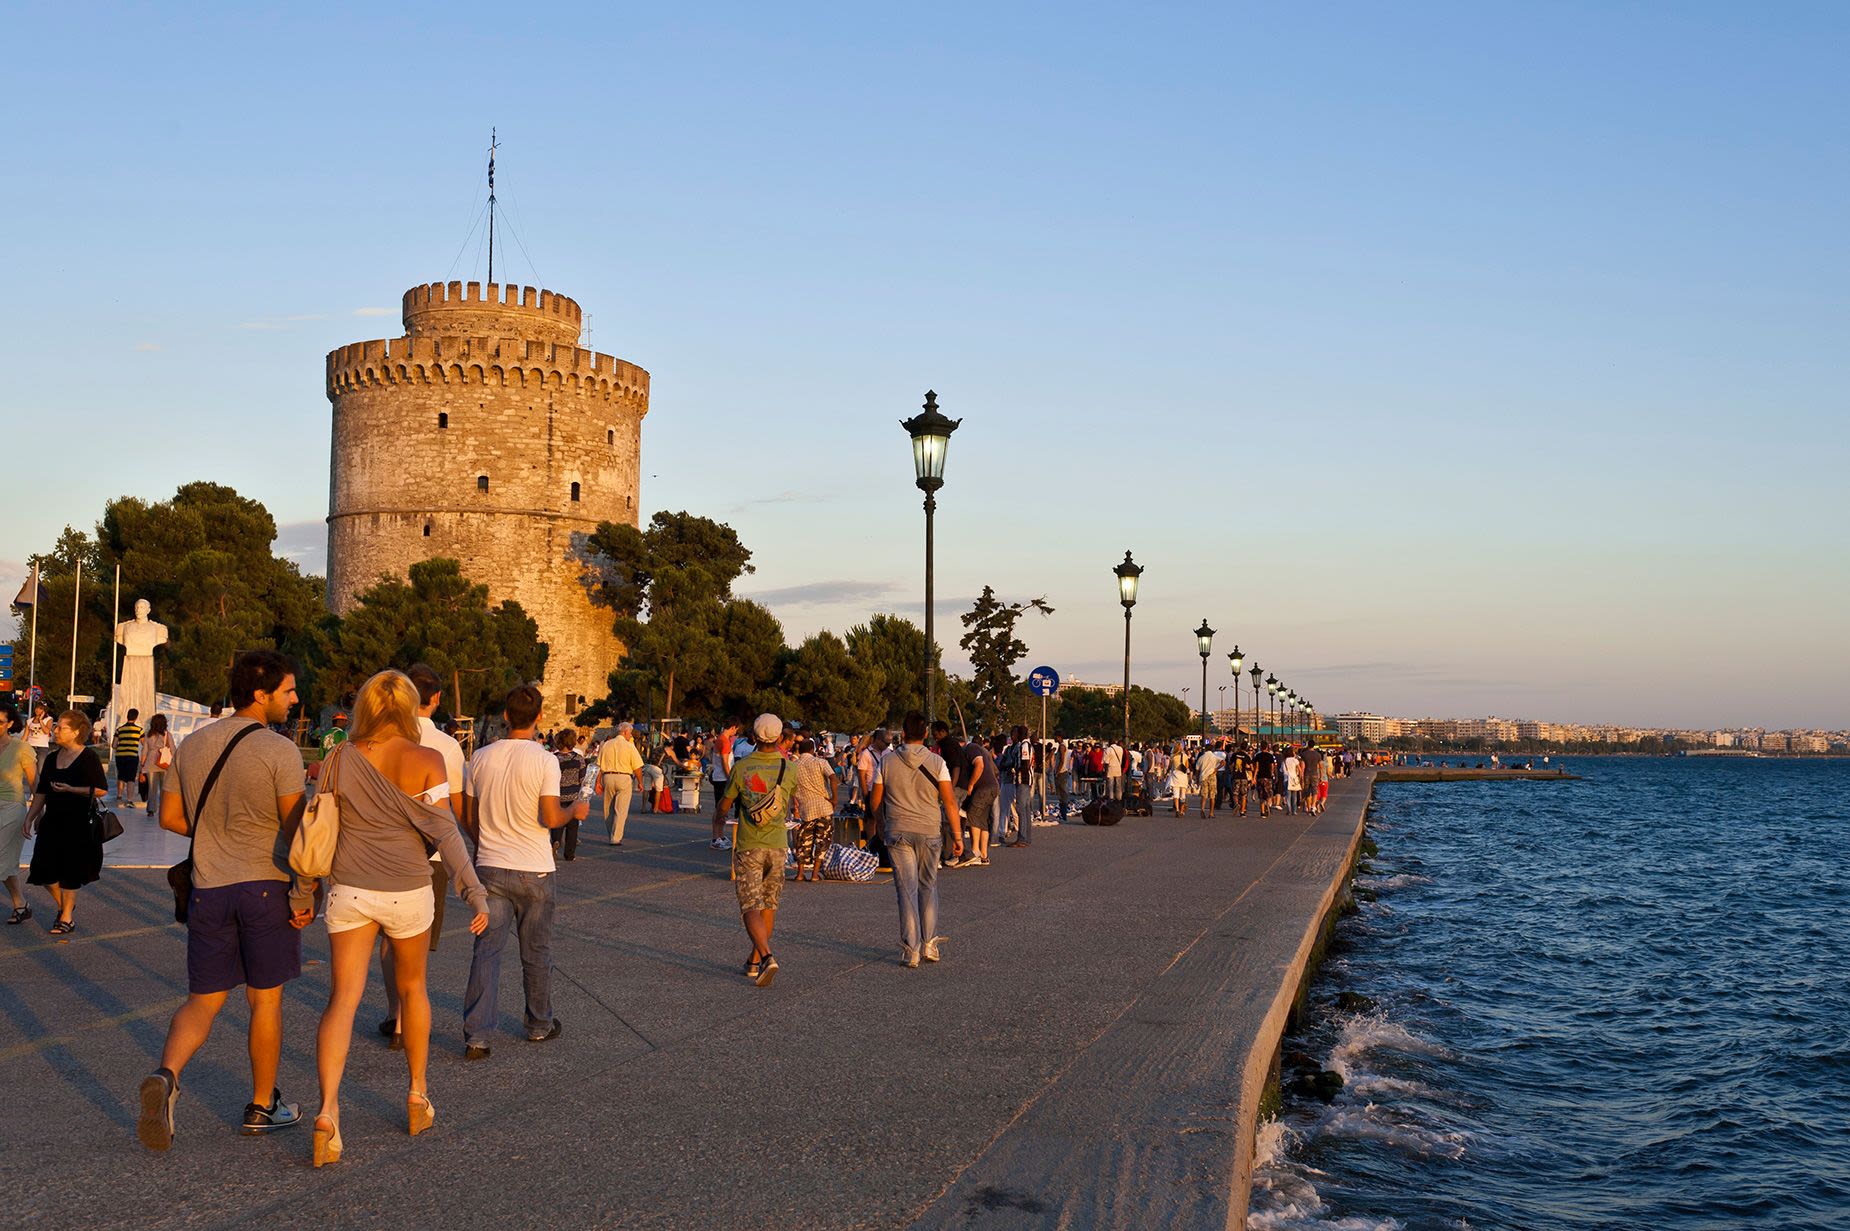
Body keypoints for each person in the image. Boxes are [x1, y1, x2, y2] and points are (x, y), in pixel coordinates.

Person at [295, 670, 489, 1166]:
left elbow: (316, 823)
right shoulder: (424, 759)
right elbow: (446, 835)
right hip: (408, 891)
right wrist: (474, 891)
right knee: (413, 990)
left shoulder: (337, 756)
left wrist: (302, 890)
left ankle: (328, 1112)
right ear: (409, 707)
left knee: (342, 999)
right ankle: (417, 1093)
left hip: (351, 891)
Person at [138, 650, 309, 1151]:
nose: (295, 700)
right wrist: (305, 890)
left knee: (204, 1000)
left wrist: (218, 829)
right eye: (288, 691)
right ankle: (262, 1105)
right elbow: (296, 829)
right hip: (265, 886)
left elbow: (170, 818)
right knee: (265, 1000)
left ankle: (167, 1076)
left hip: (209, 889)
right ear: (261, 694)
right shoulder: (280, 751)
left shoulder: (192, 745)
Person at [463, 684, 569, 1060]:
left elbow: (467, 815)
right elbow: (552, 817)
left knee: (486, 951)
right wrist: (576, 813)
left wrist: (484, 840)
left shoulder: (480, 758)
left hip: (490, 865)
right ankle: (539, 1023)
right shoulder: (545, 760)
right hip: (534, 868)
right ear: (539, 717)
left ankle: (477, 1034)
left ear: (505, 716)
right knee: (535, 950)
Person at [376, 662, 469, 1050]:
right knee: (417, 937)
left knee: (386, 939)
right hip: (428, 855)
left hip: (379, 852)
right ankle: (409, 1017)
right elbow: (456, 807)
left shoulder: (377, 740)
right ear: (437, 699)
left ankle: (395, 1012)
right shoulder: (447, 746)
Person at [868, 712, 962, 968]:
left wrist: (880, 821)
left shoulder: (887, 762)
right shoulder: (937, 762)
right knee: (927, 885)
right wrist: (957, 835)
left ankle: (911, 949)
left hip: (897, 830)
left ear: (903, 734)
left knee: (905, 889)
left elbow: (875, 799)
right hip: (929, 830)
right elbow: (949, 801)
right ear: (925, 734)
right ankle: (930, 943)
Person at [721, 714, 797, 985]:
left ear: (753, 736)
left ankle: (766, 956)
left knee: (750, 905)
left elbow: (725, 803)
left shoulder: (742, 767)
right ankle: (754, 962)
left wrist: (719, 822)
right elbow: (789, 800)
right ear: (779, 738)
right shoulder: (789, 767)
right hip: (778, 843)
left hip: (749, 843)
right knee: (769, 905)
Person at [23, 709, 108, 933]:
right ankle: (65, 906)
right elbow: (41, 792)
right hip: (52, 821)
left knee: (71, 871)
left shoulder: (88, 757)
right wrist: (30, 817)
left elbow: (101, 790)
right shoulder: (51, 758)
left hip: (78, 822)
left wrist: (72, 789)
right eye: (57, 726)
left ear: (77, 732)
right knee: (42, 871)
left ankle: (67, 917)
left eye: (61, 727)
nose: (56, 730)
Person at [0, 702, 37, 925]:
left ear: (10, 723)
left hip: (13, 806)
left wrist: (36, 814)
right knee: (5, 861)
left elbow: (35, 783)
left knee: (1, 856)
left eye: (0, 722)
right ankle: (20, 904)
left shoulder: (21, 748)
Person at [789, 737, 836, 883]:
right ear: (812, 750)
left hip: (806, 810)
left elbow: (790, 788)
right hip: (824, 807)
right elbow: (833, 778)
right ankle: (815, 874)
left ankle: (800, 873)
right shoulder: (821, 762)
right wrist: (835, 798)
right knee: (822, 841)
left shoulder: (793, 766)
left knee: (804, 841)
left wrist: (794, 806)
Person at [595, 721, 645, 845]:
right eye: (630, 733)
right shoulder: (629, 746)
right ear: (625, 732)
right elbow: (637, 767)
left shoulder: (606, 744)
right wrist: (640, 782)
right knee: (620, 809)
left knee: (608, 808)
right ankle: (616, 837)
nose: (631, 736)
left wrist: (597, 782)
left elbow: (599, 765)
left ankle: (611, 833)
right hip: (624, 778)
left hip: (608, 777)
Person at [550, 730, 588, 862]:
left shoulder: (553, 758)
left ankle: (555, 841)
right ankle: (569, 854)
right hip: (573, 796)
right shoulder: (578, 759)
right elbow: (583, 778)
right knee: (572, 827)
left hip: (557, 795)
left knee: (557, 823)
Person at [707, 719, 741, 849]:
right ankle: (716, 838)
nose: (736, 732)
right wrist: (730, 779)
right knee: (721, 809)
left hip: (720, 778)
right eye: (736, 729)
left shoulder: (721, 739)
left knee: (721, 809)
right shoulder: (724, 741)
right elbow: (725, 763)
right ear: (732, 727)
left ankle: (719, 836)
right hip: (722, 779)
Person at [139, 714, 175, 822]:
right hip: (164, 764)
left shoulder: (148, 735)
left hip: (150, 764)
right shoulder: (167, 735)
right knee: (165, 789)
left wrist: (142, 767)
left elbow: (144, 752)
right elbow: (173, 750)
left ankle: (151, 810)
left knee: (152, 789)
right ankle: (164, 809)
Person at [112, 708, 144, 807]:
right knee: (131, 778)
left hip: (120, 756)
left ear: (127, 716)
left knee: (121, 776)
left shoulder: (119, 729)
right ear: (136, 717)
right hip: (132, 756)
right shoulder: (139, 730)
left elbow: (114, 745)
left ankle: (119, 795)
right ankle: (129, 800)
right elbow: (144, 743)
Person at [1197, 742, 1221, 819]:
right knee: (1212, 796)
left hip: (1203, 777)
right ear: (1212, 749)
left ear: (1206, 749)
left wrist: (1197, 779)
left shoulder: (1201, 757)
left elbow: (1197, 769)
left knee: (1204, 795)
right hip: (1212, 776)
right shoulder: (1214, 756)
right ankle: (1211, 813)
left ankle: (1202, 809)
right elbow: (1223, 762)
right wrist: (1216, 769)